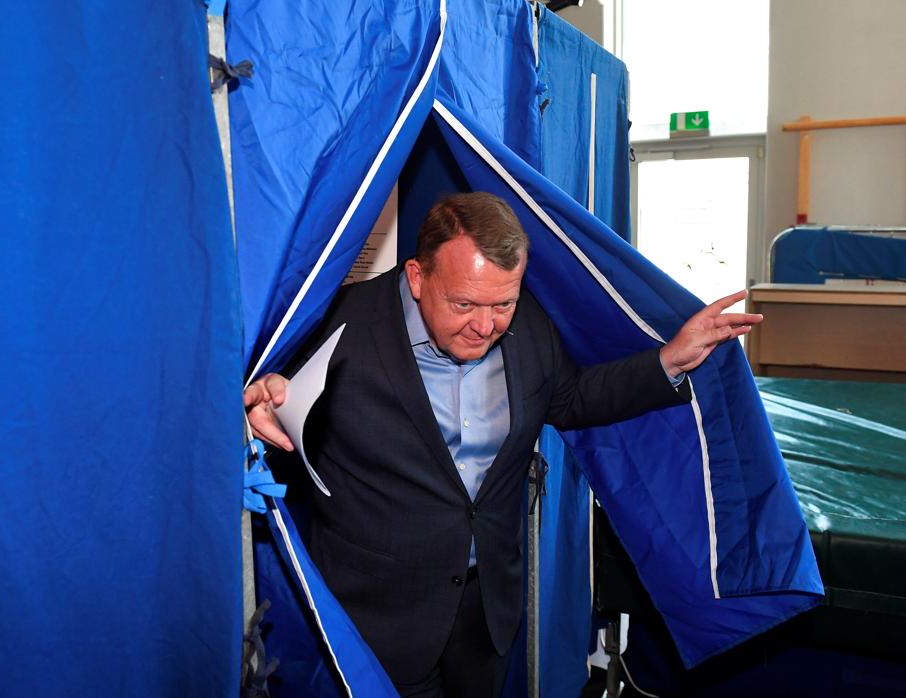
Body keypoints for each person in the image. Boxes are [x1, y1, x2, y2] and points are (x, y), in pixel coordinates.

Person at [244, 192, 761, 697]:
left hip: (485, 606)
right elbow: (268, 398)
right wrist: (260, 403)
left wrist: (668, 360)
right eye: (464, 303)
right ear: (418, 278)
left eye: (502, 304)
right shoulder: (340, 322)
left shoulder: (528, 323)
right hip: (378, 611)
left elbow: (570, 399)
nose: (486, 326)